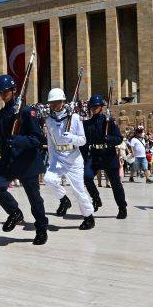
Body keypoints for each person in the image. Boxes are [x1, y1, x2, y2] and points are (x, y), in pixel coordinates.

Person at [0, 74, 49, 244]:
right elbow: (1, 140)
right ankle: (15, 212)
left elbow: (37, 139)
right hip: (9, 162)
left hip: (27, 161)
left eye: (6, 91)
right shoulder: (0, 115)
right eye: (1, 92)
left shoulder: (27, 111)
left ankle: (42, 228)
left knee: (34, 198)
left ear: (14, 90)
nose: (3, 94)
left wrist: (18, 141)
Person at [44, 88, 96, 230]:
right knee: (49, 179)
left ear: (63, 102)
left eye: (56, 102)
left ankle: (89, 217)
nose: (54, 105)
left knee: (78, 189)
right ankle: (64, 200)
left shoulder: (75, 118)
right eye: (51, 102)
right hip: (58, 157)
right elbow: (50, 142)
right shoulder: (49, 120)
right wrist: (51, 160)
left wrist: (72, 138)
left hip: (73, 157)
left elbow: (83, 140)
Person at [81, 94, 127, 219]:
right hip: (95, 155)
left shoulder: (109, 122)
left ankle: (122, 207)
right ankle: (96, 198)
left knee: (116, 183)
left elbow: (119, 139)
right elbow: (84, 143)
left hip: (108, 155)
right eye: (92, 106)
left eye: (97, 106)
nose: (94, 108)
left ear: (101, 107)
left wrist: (109, 139)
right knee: (87, 177)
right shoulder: (87, 124)